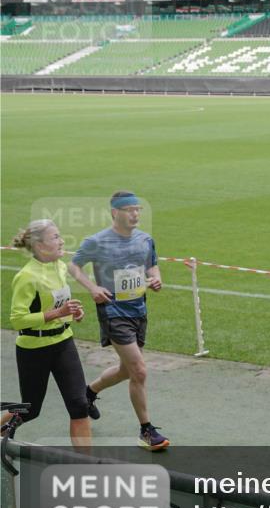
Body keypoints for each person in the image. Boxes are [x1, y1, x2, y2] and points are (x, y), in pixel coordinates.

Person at [67, 191, 168, 451]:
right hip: (113, 312)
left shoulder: (145, 239)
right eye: (129, 210)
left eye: (138, 209)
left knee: (127, 371)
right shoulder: (96, 242)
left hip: (138, 310)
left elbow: (152, 265)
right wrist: (92, 288)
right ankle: (146, 430)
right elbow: (74, 266)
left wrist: (156, 278)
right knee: (140, 370)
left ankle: (89, 392)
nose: (135, 214)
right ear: (115, 212)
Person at [5, 220, 91, 447]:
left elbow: (57, 303)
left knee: (80, 404)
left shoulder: (60, 267)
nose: (61, 241)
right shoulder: (26, 277)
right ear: (41, 246)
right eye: (55, 237)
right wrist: (57, 313)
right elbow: (18, 319)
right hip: (34, 349)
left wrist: (72, 314)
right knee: (30, 409)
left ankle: (87, 468)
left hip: (63, 342)